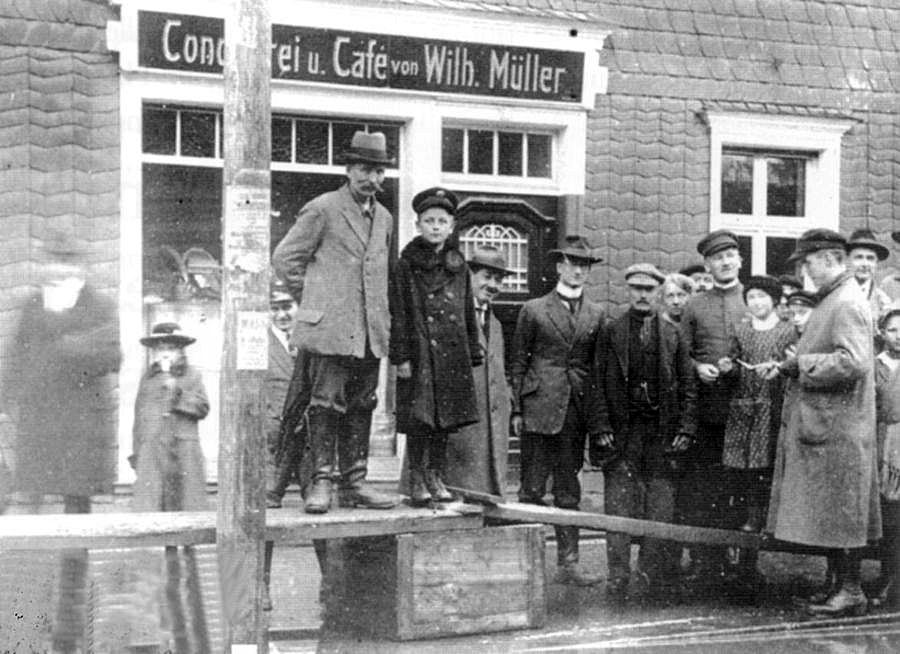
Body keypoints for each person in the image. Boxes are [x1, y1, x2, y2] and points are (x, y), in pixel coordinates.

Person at [2, 230, 121, 654]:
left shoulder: (98, 305)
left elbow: (112, 355)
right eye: (54, 261)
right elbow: (16, 358)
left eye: (68, 262)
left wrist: (61, 344)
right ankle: (24, 628)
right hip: (38, 433)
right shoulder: (34, 305)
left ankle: (72, 635)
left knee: (76, 537)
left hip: (80, 438)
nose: (60, 269)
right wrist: (4, 402)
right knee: (32, 531)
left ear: (80, 268)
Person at [272, 130, 398, 514]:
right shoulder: (323, 208)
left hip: (369, 333)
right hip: (329, 332)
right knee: (325, 404)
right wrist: (314, 303)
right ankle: (321, 481)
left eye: (378, 171)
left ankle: (355, 482)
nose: (371, 179)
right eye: (364, 169)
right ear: (348, 169)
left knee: (363, 403)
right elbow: (284, 259)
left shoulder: (386, 218)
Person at [766, 229, 881, 618]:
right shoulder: (836, 297)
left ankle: (850, 590)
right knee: (834, 510)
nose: (803, 270)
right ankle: (838, 584)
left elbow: (854, 362)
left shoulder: (846, 302)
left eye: (807, 261)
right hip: (831, 425)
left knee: (842, 511)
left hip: (839, 428)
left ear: (829, 258)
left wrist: (801, 365)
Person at [594, 263, 697, 601]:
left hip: (661, 433)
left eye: (648, 289)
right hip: (623, 434)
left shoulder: (672, 334)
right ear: (628, 291)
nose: (642, 295)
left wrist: (685, 427)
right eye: (636, 288)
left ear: (657, 293)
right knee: (619, 504)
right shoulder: (611, 331)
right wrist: (601, 426)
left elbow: (688, 386)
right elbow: (596, 382)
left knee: (660, 506)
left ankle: (649, 572)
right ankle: (618, 575)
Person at [511, 235, 606, 586]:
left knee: (568, 489)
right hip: (538, 407)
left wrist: (595, 418)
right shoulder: (534, 309)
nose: (578, 270)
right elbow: (518, 362)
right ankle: (524, 565)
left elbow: (598, 369)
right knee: (531, 489)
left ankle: (569, 563)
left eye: (584, 265)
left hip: (574, 410)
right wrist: (516, 410)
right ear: (558, 267)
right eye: (572, 263)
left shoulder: (596, 313)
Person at [390, 187, 481, 505]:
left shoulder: (459, 266)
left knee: (446, 419)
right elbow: (398, 310)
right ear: (418, 225)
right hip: (420, 351)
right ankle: (416, 475)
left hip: (452, 352)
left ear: (452, 226)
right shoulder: (406, 264)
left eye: (442, 221)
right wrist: (401, 355)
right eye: (429, 220)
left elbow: (468, 309)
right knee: (420, 418)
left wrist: (473, 348)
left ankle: (435, 474)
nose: (435, 226)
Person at [131, 322, 210, 653]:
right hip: (153, 464)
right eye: (161, 347)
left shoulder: (191, 375)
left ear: (181, 350)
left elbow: (201, 407)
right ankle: (161, 627)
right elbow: (138, 417)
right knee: (156, 540)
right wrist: (137, 455)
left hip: (184, 462)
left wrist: (174, 388)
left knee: (187, 539)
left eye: (172, 347)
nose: (166, 352)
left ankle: (193, 628)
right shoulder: (146, 378)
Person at [677, 230, 748, 591]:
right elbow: (680, 354)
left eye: (730, 255)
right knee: (704, 488)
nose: (724, 262)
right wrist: (695, 368)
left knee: (743, 489)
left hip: (749, 416)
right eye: (717, 257)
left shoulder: (753, 302)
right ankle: (706, 562)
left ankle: (744, 564)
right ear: (707, 264)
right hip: (707, 415)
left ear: (740, 260)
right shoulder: (694, 306)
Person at [717, 275, 796, 594]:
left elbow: (793, 368)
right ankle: (737, 562)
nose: (757, 303)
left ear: (775, 300)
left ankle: (753, 555)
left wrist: (781, 368)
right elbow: (734, 366)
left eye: (763, 297)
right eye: (751, 298)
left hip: (771, 411)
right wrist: (727, 368)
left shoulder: (788, 330)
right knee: (737, 478)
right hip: (741, 411)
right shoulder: (741, 329)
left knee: (761, 481)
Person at [443, 246, 514, 497]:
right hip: (459, 430)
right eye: (487, 276)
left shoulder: (494, 322)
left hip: (488, 430)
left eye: (498, 279)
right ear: (469, 276)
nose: (493, 285)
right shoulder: (452, 315)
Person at [870, 309, 900, 610]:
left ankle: (895, 579)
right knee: (884, 515)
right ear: (882, 332)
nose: (899, 336)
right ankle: (884, 575)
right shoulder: (874, 366)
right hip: (879, 442)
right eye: (893, 330)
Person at [266, 278, 301, 509]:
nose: (281, 315)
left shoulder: (311, 340)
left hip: (308, 433)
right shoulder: (259, 344)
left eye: (287, 307)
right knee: (268, 499)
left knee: (317, 503)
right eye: (274, 309)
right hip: (274, 436)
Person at [845, 228, 892, 323]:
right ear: (847, 260)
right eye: (859, 257)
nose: (865, 264)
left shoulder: (884, 302)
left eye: (870, 258)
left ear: (876, 263)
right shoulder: (834, 295)